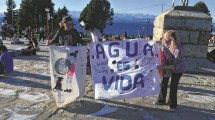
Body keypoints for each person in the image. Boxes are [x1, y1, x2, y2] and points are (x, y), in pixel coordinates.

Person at [153, 30, 185, 112]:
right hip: (167, 64)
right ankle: (161, 100)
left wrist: (162, 67)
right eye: (164, 38)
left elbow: (174, 66)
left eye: (166, 40)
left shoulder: (178, 49)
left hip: (177, 68)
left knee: (173, 86)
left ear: (172, 40)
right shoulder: (164, 41)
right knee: (163, 82)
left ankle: (172, 104)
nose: (164, 41)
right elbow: (159, 43)